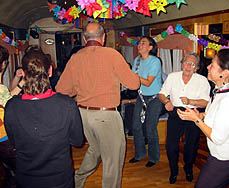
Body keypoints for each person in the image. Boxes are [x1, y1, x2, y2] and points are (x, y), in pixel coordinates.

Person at [56, 22, 140, 188]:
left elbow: (62, 90)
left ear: (84, 38)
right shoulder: (112, 55)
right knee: (112, 161)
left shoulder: (76, 57)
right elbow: (133, 84)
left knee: (95, 150)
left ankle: (76, 181)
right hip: (106, 116)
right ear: (103, 37)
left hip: (83, 116)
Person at [4, 50, 84, 188]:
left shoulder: (11, 106)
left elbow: (14, 143)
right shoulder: (67, 104)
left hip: (26, 180)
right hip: (60, 179)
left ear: (23, 74)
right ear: (50, 71)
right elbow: (77, 141)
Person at [177, 49, 229, 188]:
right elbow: (213, 113)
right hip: (221, 153)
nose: (208, 67)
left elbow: (217, 138)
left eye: (213, 65)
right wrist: (201, 115)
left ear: (225, 73)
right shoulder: (220, 90)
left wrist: (196, 120)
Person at [158, 52, 211, 184]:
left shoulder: (202, 80)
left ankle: (188, 168)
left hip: (193, 114)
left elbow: (206, 102)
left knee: (191, 146)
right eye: (186, 62)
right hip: (175, 113)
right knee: (171, 145)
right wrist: (166, 102)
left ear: (196, 67)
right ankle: (174, 171)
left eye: (192, 64)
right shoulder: (172, 77)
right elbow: (161, 94)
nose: (188, 66)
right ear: (182, 64)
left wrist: (191, 101)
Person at [128, 36, 163, 168]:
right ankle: (140, 154)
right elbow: (133, 81)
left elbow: (148, 82)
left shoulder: (155, 61)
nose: (140, 45)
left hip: (154, 98)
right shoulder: (137, 60)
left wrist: (133, 76)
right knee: (136, 126)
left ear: (150, 47)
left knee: (150, 128)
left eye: (143, 43)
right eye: (139, 43)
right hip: (141, 97)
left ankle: (154, 158)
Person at [0, 45, 24, 188]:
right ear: (3, 64)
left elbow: (6, 94)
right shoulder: (0, 88)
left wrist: (16, 78)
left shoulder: (2, 87)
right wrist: (22, 83)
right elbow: (9, 102)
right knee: (19, 173)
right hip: (5, 139)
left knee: (9, 173)